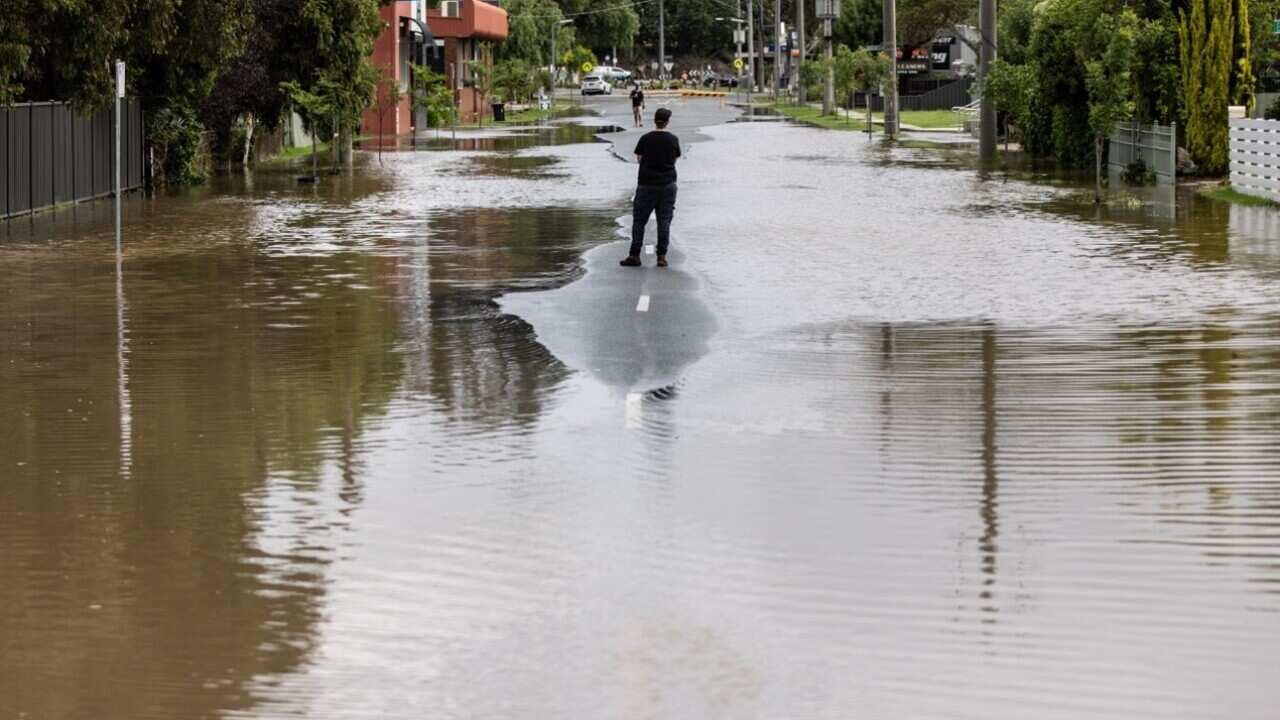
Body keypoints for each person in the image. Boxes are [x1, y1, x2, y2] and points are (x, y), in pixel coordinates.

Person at [620, 107, 680, 268]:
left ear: (655, 120)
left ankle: (634, 255)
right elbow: (675, 159)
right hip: (668, 185)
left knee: (639, 221)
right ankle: (661, 256)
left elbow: (639, 158)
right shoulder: (673, 139)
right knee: (664, 221)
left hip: (646, 184)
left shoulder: (645, 138)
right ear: (667, 122)